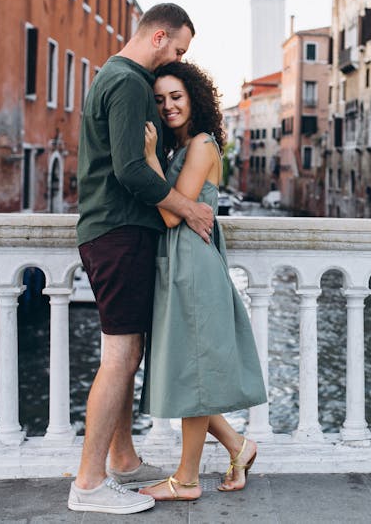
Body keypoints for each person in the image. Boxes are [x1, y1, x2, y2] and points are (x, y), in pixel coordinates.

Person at [68, 3, 215, 515]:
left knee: (125, 356)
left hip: (114, 232)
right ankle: (88, 484)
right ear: (158, 37)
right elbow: (131, 170)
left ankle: (124, 462)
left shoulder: (112, 74)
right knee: (120, 358)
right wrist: (187, 207)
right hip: (119, 232)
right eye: (176, 49)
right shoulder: (129, 83)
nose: (175, 58)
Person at [137, 61, 267, 502]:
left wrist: (150, 160)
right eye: (159, 100)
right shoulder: (181, 147)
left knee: (192, 372)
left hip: (192, 267)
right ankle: (238, 446)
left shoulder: (201, 145)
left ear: (194, 97)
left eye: (176, 96)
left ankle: (187, 480)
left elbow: (172, 211)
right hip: (178, 265)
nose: (168, 106)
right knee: (187, 370)